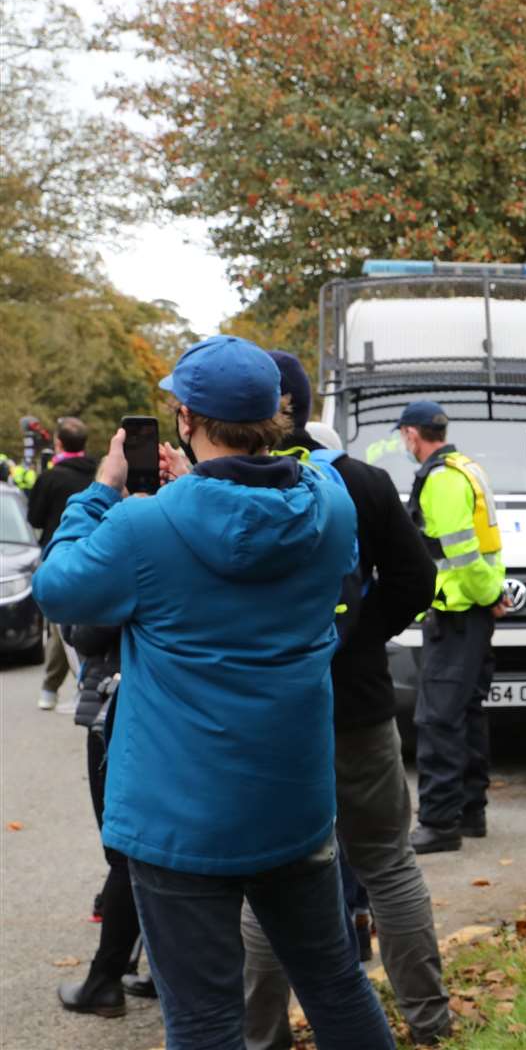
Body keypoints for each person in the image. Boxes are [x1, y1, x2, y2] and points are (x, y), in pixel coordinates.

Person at [31, 334, 396, 1050]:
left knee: (203, 1021)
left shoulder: (144, 525)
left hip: (180, 819)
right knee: (334, 982)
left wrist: (103, 490)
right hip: (292, 801)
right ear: (276, 416)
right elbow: (286, 499)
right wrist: (199, 483)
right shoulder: (330, 507)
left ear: (184, 418)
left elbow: (57, 586)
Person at [239, 352, 451, 1049]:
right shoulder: (358, 480)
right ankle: (430, 1026)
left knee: (266, 880)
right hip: (357, 702)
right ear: (304, 405)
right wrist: (359, 638)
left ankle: (260, 1036)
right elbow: (418, 578)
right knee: (387, 861)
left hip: (269, 716)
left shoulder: (220, 488)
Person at [397, 401, 509, 854]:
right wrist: (492, 594)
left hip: (458, 611)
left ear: (412, 435)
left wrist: (485, 595)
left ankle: (440, 822)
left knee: (437, 718)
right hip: (473, 611)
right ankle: (470, 812)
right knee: (466, 713)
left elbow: (460, 553)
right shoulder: (466, 468)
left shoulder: (441, 479)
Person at [54, 620, 154, 1017]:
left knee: (126, 854)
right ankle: (161, 970)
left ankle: (104, 980)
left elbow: (85, 630)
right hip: (166, 707)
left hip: (123, 708)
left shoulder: (128, 557)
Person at [27, 417, 97, 710]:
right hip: (96, 553)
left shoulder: (50, 478)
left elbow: (35, 519)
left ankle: (70, 685)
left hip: (58, 556)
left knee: (60, 625)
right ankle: (66, 686)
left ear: (58, 443)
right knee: (83, 622)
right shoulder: (99, 474)